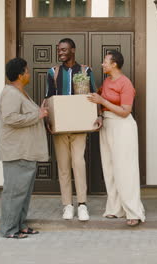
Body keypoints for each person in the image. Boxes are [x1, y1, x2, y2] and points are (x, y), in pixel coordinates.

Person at [87, 50, 145, 227]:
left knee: (125, 169)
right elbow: (104, 106)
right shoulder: (106, 81)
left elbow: (125, 111)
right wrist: (100, 116)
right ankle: (115, 208)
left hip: (123, 126)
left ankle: (133, 211)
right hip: (108, 125)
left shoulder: (125, 83)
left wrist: (102, 102)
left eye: (105, 61)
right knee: (110, 167)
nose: (102, 64)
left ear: (114, 65)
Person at [45, 38, 99, 221]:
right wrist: (48, 121)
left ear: (73, 50)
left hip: (79, 125)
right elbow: (49, 98)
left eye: (64, 50)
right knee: (63, 166)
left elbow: (94, 94)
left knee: (78, 162)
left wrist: (98, 115)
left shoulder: (86, 70)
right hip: (59, 127)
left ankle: (82, 204)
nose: (60, 52)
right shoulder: (52, 72)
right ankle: (67, 205)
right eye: (59, 50)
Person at [0, 57, 49, 239]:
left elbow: (29, 114)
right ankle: (9, 229)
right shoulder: (11, 93)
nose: (28, 74)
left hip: (26, 151)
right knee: (14, 192)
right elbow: (10, 118)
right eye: (26, 71)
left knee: (23, 193)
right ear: (20, 75)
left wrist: (38, 112)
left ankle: (20, 225)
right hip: (16, 151)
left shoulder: (21, 92)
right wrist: (38, 115)